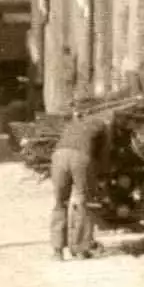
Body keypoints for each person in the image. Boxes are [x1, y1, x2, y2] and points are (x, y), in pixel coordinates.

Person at [50, 110, 107, 260]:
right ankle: (81, 249)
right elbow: (103, 154)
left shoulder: (72, 124)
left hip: (58, 156)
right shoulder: (102, 124)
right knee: (84, 201)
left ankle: (57, 251)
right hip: (80, 156)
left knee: (60, 202)